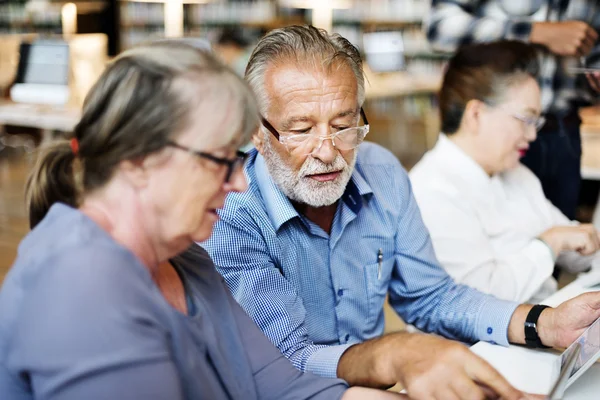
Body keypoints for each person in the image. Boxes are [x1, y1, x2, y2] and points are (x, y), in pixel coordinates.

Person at [202, 25, 600, 400]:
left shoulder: (383, 172)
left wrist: (543, 323)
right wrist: (394, 353)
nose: (327, 153)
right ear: (256, 129)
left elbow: (430, 297)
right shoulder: (230, 212)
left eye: (343, 125)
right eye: (301, 130)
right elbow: (285, 364)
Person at [0, 42, 403, 400]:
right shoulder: (80, 289)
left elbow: (279, 383)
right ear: (140, 160)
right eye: (220, 160)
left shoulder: (187, 261)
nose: (240, 182)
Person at [410, 40, 600, 304]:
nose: (533, 135)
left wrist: (584, 240)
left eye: (537, 121)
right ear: (476, 114)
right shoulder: (431, 191)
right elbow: (478, 304)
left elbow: (574, 243)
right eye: (526, 119)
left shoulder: (516, 174)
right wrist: (550, 244)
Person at [426, 0, 600, 222]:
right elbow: (439, 27)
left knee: (560, 235)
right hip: (494, 131)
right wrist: (535, 32)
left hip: (564, 133)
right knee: (492, 232)